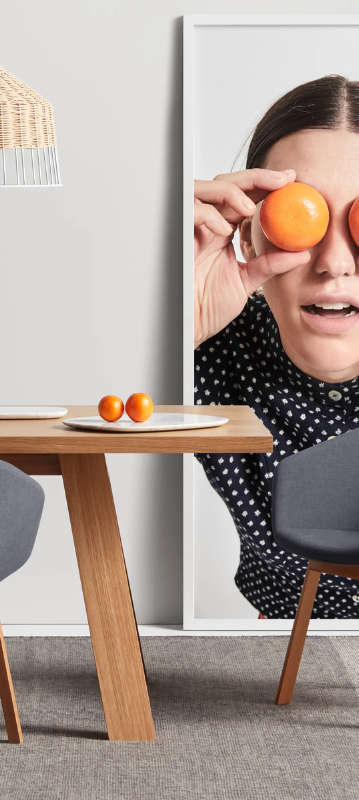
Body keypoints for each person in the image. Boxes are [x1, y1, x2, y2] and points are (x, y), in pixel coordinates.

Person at [194, 75, 359, 619]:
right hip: (275, 649)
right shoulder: (212, 354)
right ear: (249, 234)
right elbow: (70, 436)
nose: (335, 262)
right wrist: (179, 320)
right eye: (301, 218)